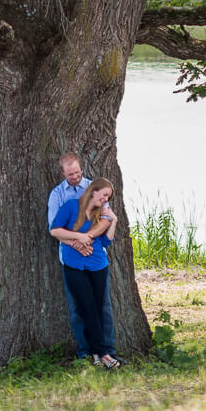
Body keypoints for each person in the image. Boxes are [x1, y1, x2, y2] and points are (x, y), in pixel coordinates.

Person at [47, 153, 118, 362]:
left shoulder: (95, 188)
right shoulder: (60, 196)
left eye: (77, 172)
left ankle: (106, 351)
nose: (75, 177)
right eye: (71, 174)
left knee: (102, 307)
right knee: (78, 308)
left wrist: (89, 237)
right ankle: (86, 352)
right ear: (63, 173)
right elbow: (55, 228)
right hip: (71, 256)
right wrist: (78, 242)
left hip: (95, 258)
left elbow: (105, 221)